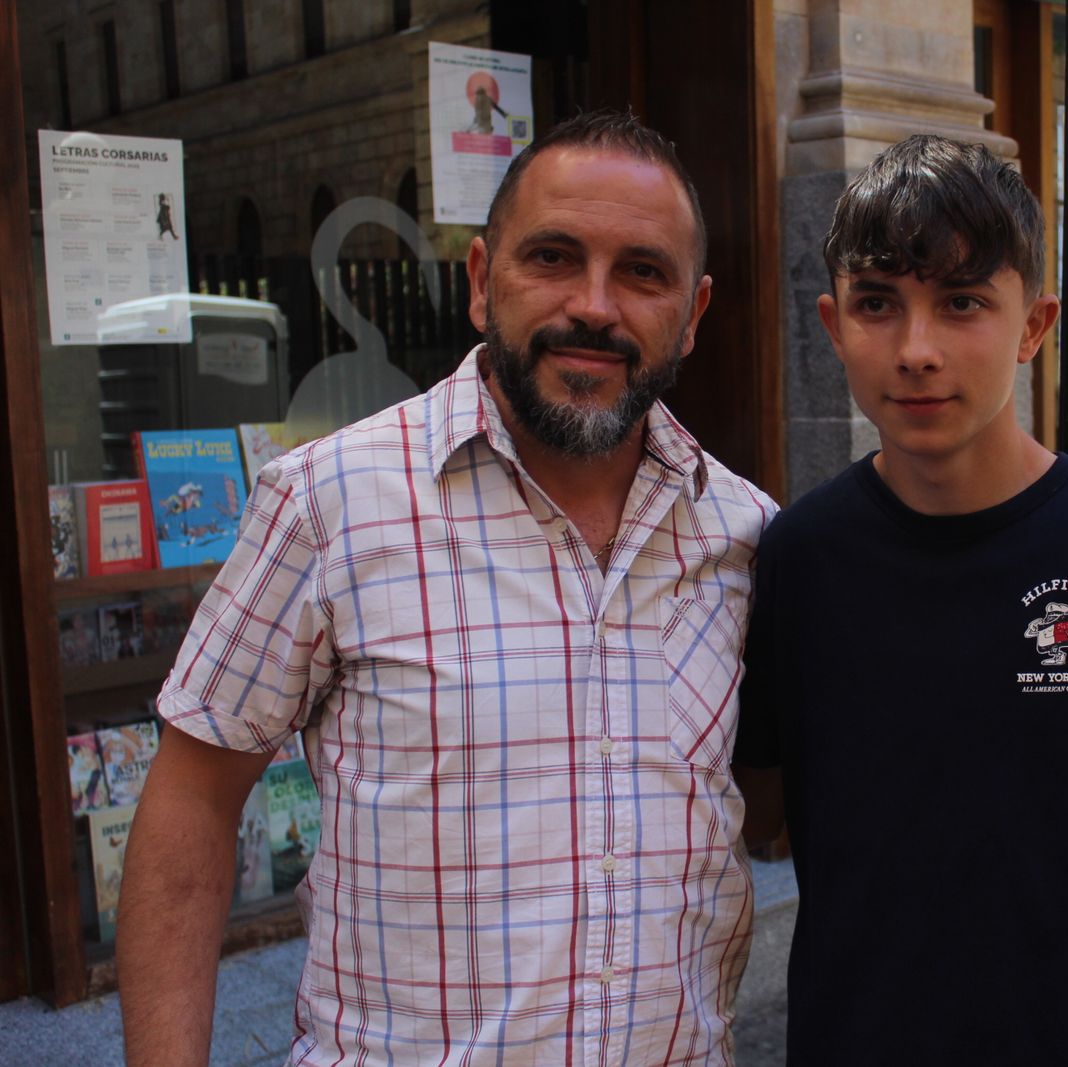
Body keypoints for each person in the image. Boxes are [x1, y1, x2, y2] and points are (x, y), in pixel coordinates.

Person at [117, 110, 780, 1065]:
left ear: (695, 312)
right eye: (553, 257)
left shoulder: (745, 535)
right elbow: (191, 804)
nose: (594, 305)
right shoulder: (329, 502)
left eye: (643, 271)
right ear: (480, 282)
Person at [732, 136, 1068, 1066]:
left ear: (1034, 326)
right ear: (831, 323)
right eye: (878, 305)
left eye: (962, 302)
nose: (917, 349)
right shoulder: (799, 559)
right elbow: (754, 812)